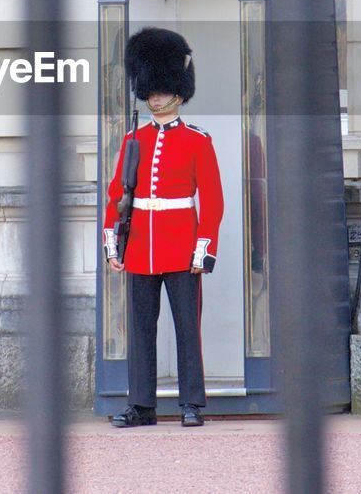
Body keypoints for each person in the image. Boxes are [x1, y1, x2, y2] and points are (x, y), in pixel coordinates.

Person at [103, 27, 224, 428]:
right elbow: (119, 194)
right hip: (140, 246)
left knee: (187, 328)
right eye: (149, 90)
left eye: (161, 90)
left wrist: (202, 249)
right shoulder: (133, 138)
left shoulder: (197, 141)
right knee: (141, 330)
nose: (154, 97)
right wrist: (112, 245)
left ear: (178, 91)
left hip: (181, 245)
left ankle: (191, 402)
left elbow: (213, 200)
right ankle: (142, 404)